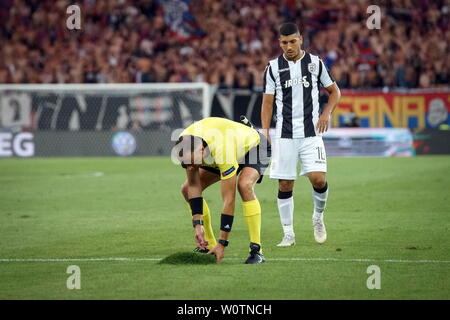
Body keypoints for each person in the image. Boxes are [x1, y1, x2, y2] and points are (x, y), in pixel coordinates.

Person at [260, 23, 341, 247]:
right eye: (284, 42)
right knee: (285, 184)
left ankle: (318, 217)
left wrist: (326, 114)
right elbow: (267, 104)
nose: (288, 46)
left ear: (300, 39)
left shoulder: (315, 64)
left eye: (292, 41)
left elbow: (335, 92)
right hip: (284, 135)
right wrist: (265, 133)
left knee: (318, 178)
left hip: (311, 133)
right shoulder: (273, 68)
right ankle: (288, 234)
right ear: (280, 43)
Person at [174, 117, 271, 264]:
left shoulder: (222, 151)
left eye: (192, 163)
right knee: (187, 189)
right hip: (226, 147)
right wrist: (197, 225)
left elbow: (229, 200)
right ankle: (208, 246)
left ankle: (257, 250)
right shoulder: (186, 144)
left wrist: (223, 243)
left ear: (201, 151)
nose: (190, 168)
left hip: (254, 146)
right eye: (186, 165)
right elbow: (194, 185)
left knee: (244, 185)